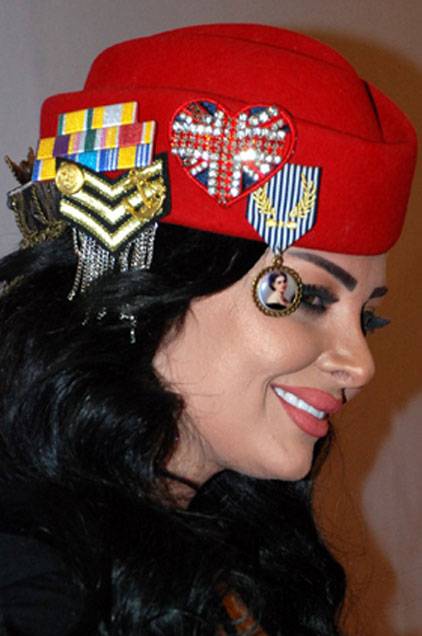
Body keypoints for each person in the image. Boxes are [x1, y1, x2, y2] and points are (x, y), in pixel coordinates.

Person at [0, 23, 416, 636]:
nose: (360, 364)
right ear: (145, 282)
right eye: (300, 295)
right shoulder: (32, 586)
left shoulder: (224, 547)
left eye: (367, 318)